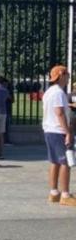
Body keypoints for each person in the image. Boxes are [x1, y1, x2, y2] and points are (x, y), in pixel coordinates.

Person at [42, 65, 76, 207]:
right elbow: (59, 113)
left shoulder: (49, 92)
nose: (69, 77)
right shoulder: (58, 93)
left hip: (50, 130)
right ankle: (65, 194)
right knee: (65, 163)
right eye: (67, 74)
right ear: (61, 75)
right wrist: (68, 132)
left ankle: (54, 192)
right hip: (58, 130)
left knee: (54, 161)